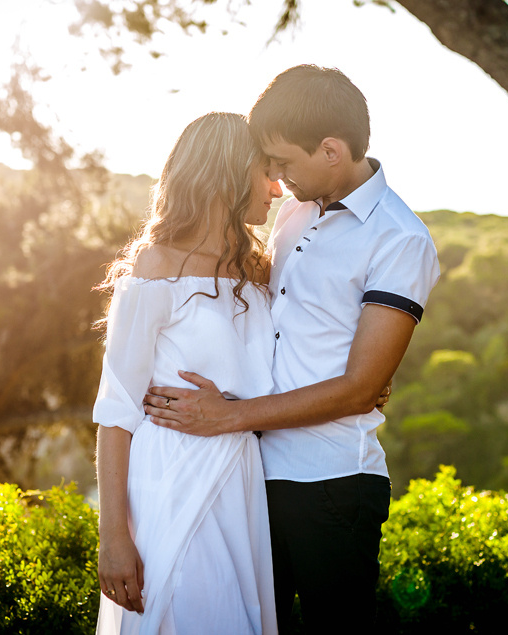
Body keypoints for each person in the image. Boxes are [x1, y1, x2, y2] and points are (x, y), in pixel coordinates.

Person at [144, 65, 442, 633]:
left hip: (331, 483)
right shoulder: (295, 212)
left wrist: (230, 416)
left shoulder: (400, 238)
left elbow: (358, 388)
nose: (276, 181)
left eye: (282, 163)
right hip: (250, 476)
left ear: (331, 151)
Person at [93, 112, 283, 634]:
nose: (277, 187)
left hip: (244, 479)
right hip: (171, 476)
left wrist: (364, 382)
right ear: (228, 174)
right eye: (266, 172)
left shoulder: (259, 270)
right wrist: (114, 537)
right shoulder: (156, 266)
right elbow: (116, 410)